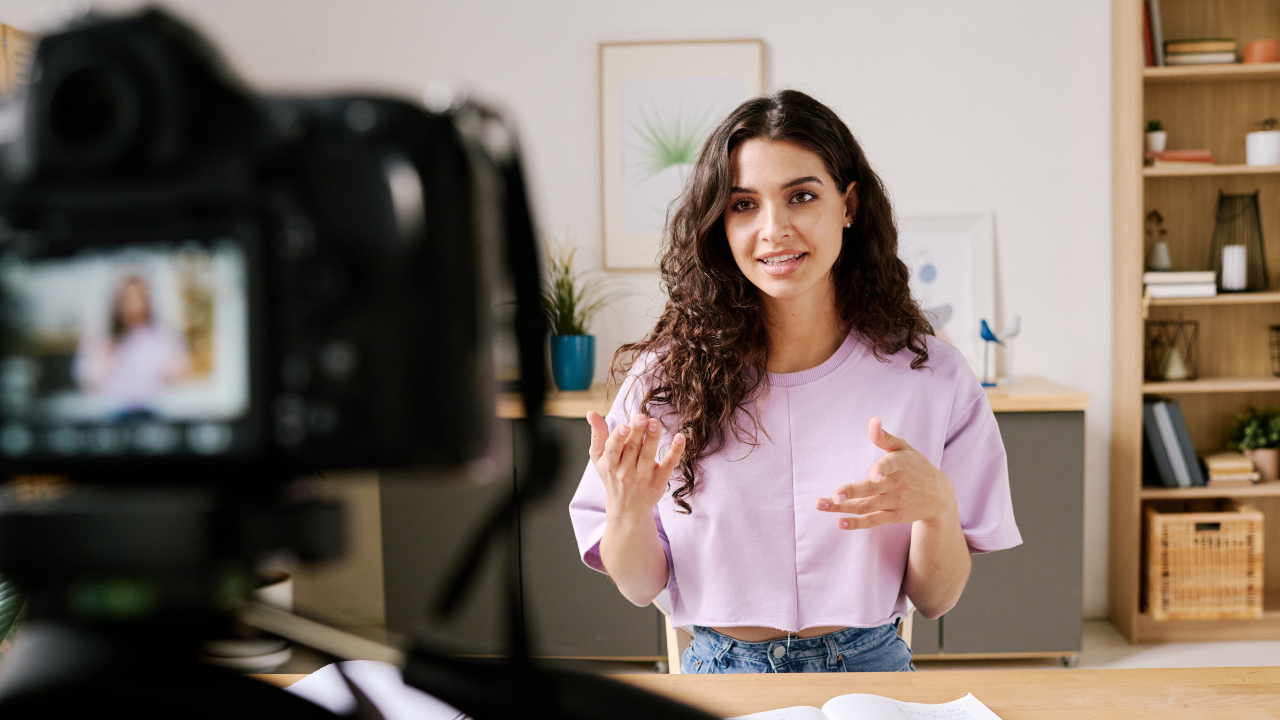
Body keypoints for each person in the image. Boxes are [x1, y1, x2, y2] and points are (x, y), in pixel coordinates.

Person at [569, 90, 1021, 674]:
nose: (774, 230)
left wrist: (937, 508)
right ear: (719, 224)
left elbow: (937, 600)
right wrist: (627, 514)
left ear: (849, 204)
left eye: (801, 196)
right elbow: (638, 587)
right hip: (723, 671)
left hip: (872, 670)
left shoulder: (932, 375)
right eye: (743, 205)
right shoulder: (665, 381)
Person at [74, 273, 192, 417]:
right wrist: (106, 359)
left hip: (154, 411)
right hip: (113, 413)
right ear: (118, 301)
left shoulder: (163, 337)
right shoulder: (103, 338)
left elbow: (180, 370)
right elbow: (86, 377)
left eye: (139, 297)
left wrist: (167, 371)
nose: (133, 304)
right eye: (127, 298)